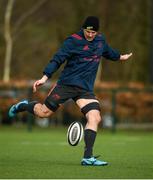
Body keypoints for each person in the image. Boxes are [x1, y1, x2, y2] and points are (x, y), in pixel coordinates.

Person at [8, 16, 132, 166]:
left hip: (85, 89)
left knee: (95, 117)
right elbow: (57, 59)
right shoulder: (72, 41)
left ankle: (88, 157)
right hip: (66, 85)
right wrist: (45, 77)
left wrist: (120, 57)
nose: (90, 35)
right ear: (83, 29)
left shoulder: (100, 40)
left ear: (97, 32)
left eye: (93, 33)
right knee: (43, 113)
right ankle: (23, 105)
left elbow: (108, 52)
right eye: (88, 32)